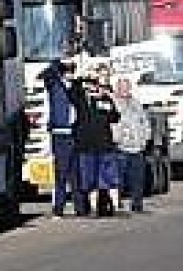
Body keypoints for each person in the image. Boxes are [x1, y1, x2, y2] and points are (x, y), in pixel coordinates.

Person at [70, 70, 122, 217]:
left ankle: (114, 206)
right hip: (86, 145)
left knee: (108, 178)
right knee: (89, 180)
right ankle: (93, 208)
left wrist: (107, 98)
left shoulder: (105, 100)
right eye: (89, 85)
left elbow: (115, 117)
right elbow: (72, 92)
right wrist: (79, 79)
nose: (92, 88)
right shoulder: (80, 99)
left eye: (95, 85)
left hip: (105, 145)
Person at [39, 57, 78, 217]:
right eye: (66, 71)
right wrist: (57, 63)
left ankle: (80, 207)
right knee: (61, 173)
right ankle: (59, 208)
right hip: (60, 133)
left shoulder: (76, 88)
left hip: (76, 133)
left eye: (72, 71)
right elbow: (45, 75)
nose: (70, 74)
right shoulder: (55, 86)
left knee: (76, 174)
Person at [111, 75, 154, 215]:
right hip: (122, 148)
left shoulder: (136, 103)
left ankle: (137, 204)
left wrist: (145, 138)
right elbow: (112, 124)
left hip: (137, 147)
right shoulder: (114, 103)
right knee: (119, 179)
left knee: (138, 179)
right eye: (123, 87)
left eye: (127, 87)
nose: (126, 90)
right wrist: (118, 138)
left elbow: (144, 122)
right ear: (117, 88)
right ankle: (117, 205)